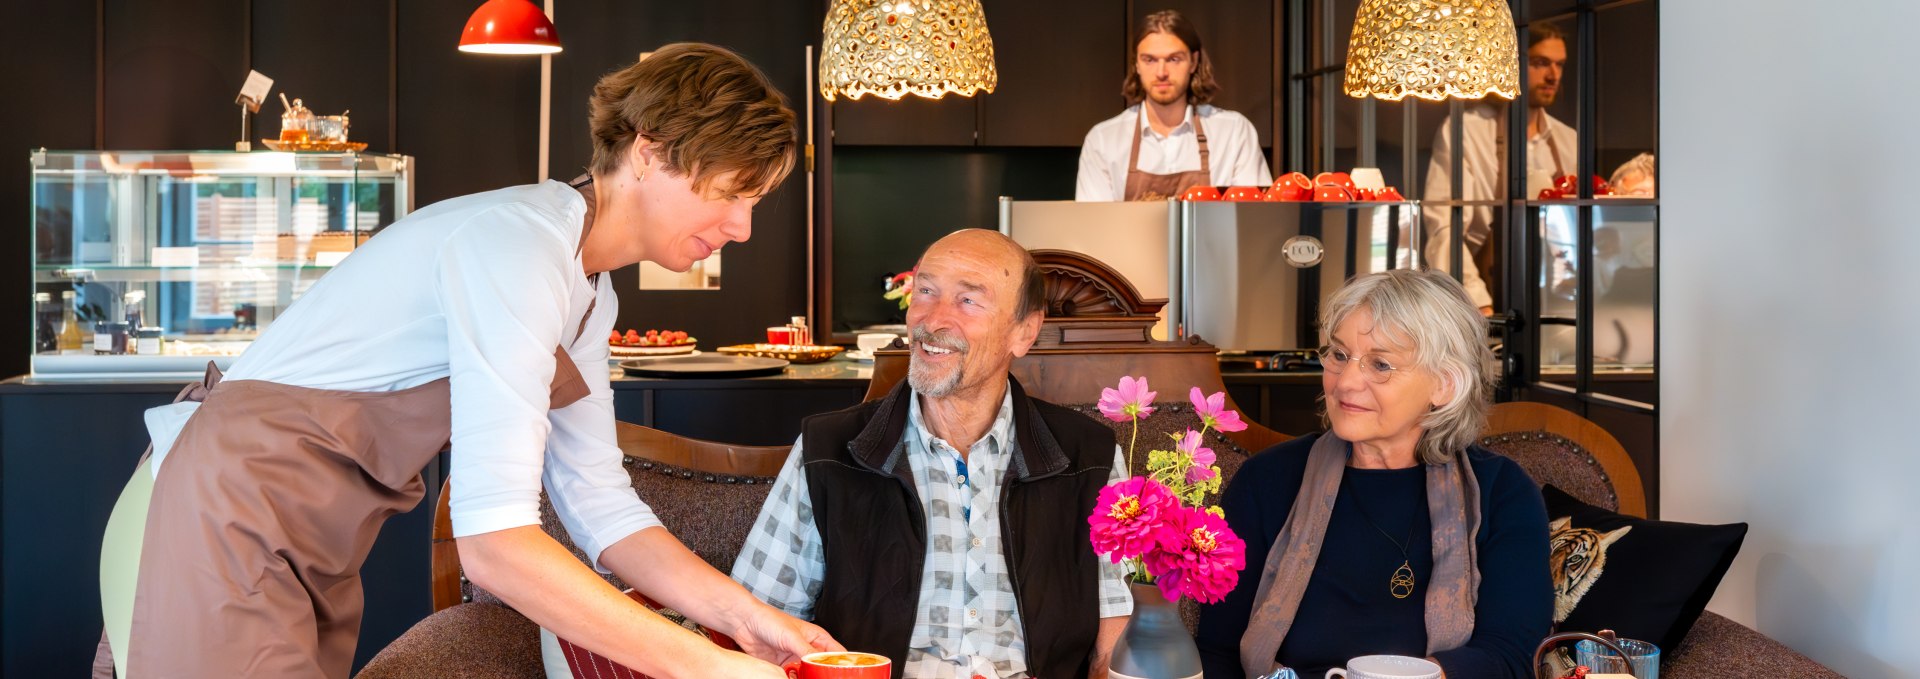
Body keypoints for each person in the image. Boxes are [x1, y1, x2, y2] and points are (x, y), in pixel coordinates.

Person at [100, 44, 838, 679]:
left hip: (304, 542)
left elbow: (600, 505)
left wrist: (751, 622)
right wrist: (706, 665)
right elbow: (495, 546)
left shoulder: (586, 289)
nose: (742, 228)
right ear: (648, 152)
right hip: (219, 516)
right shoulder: (517, 247)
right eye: (732, 193)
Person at [732, 230, 1133, 679]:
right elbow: (756, 627)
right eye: (925, 291)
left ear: (1024, 332)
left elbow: (1111, 651)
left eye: (968, 301)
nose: (933, 320)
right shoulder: (829, 451)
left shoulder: (1090, 458)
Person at [1196, 269, 1551, 678]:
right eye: (1339, 355)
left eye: (1380, 364)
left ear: (1445, 385)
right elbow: (1216, 651)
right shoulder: (1268, 481)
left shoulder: (1501, 493)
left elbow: (1511, 654)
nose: (1346, 382)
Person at [1421, 23, 1577, 313]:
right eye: (1540, 63)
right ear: (1512, 62)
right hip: (1487, 292)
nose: (1553, 75)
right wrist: (1480, 302)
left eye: (1559, 65)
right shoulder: (1465, 130)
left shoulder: (1568, 139)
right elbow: (1444, 226)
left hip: (1558, 296)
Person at [1076, 10, 1272, 202]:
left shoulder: (1234, 132)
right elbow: (1094, 228)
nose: (1161, 72)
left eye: (1173, 59)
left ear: (1194, 62)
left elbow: (1253, 220)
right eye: (1150, 60)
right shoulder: (1102, 140)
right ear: (1136, 64)